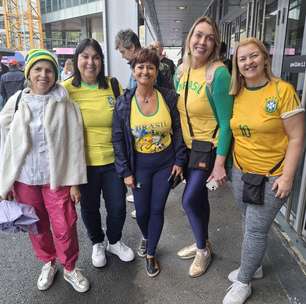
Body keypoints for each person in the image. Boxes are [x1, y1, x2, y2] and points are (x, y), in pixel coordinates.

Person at [0, 49, 90, 292]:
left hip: (57, 178)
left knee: (65, 225)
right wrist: (4, 183)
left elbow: (75, 144)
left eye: (49, 70)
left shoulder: (65, 104)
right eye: (38, 69)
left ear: (55, 74)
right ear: (28, 73)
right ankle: (48, 262)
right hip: (24, 179)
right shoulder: (16, 101)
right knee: (36, 226)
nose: (43, 75)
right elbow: (4, 143)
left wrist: (75, 182)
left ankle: (70, 267)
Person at [223, 37, 304, 304]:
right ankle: (253, 267)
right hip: (242, 172)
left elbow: (296, 138)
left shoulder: (283, 91)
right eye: (242, 58)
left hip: (272, 176)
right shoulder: (237, 92)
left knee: (256, 229)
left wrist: (288, 176)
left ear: (265, 57)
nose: (248, 62)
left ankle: (244, 282)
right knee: (248, 222)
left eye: (253, 56)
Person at [112, 48, 186, 277]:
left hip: (165, 163)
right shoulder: (124, 102)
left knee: (157, 208)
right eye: (140, 66)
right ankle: (147, 236)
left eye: (150, 67)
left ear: (156, 72)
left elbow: (179, 130)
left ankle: (151, 252)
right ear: (133, 71)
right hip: (139, 166)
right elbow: (117, 138)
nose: (145, 71)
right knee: (142, 212)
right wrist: (124, 170)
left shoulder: (169, 98)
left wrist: (180, 160)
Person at [63, 38, 135, 269]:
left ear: (102, 61)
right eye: (85, 56)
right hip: (83, 164)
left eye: (95, 57)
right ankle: (97, 242)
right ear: (76, 60)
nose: (90, 62)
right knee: (90, 207)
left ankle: (114, 240)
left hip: (114, 162)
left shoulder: (113, 85)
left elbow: (128, 119)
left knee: (118, 207)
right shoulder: (66, 90)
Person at [175, 16, 233, 278]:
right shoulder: (183, 70)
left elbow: (226, 122)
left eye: (210, 38)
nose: (203, 41)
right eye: (199, 35)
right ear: (190, 39)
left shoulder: (218, 73)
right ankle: (204, 241)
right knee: (198, 198)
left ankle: (202, 250)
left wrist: (220, 163)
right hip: (188, 149)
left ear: (215, 44)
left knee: (188, 200)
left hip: (207, 150)